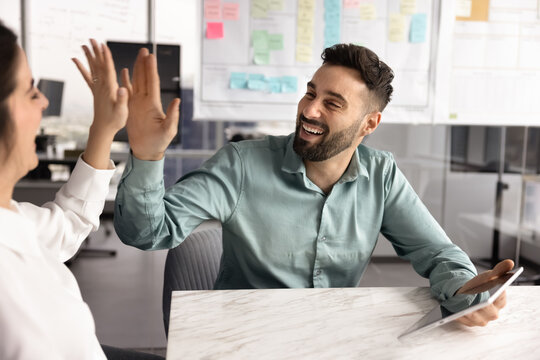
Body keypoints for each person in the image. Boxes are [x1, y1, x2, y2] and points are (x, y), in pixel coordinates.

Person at [113, 44, 514, 328]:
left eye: (332, 103)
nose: (309, 109)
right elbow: (148, 232)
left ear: (369, 125)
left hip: (326, 337)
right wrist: (147, 155)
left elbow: (438, 252)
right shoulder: (242, 164)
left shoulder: (381, 174)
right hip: (241, 339)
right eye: (310, 92)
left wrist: (464, 286)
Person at [0, 23, 163, 359]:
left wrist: (104, 127)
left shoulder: (13, 220)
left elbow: (67, 224)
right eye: (30, 92)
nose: (43, 101)